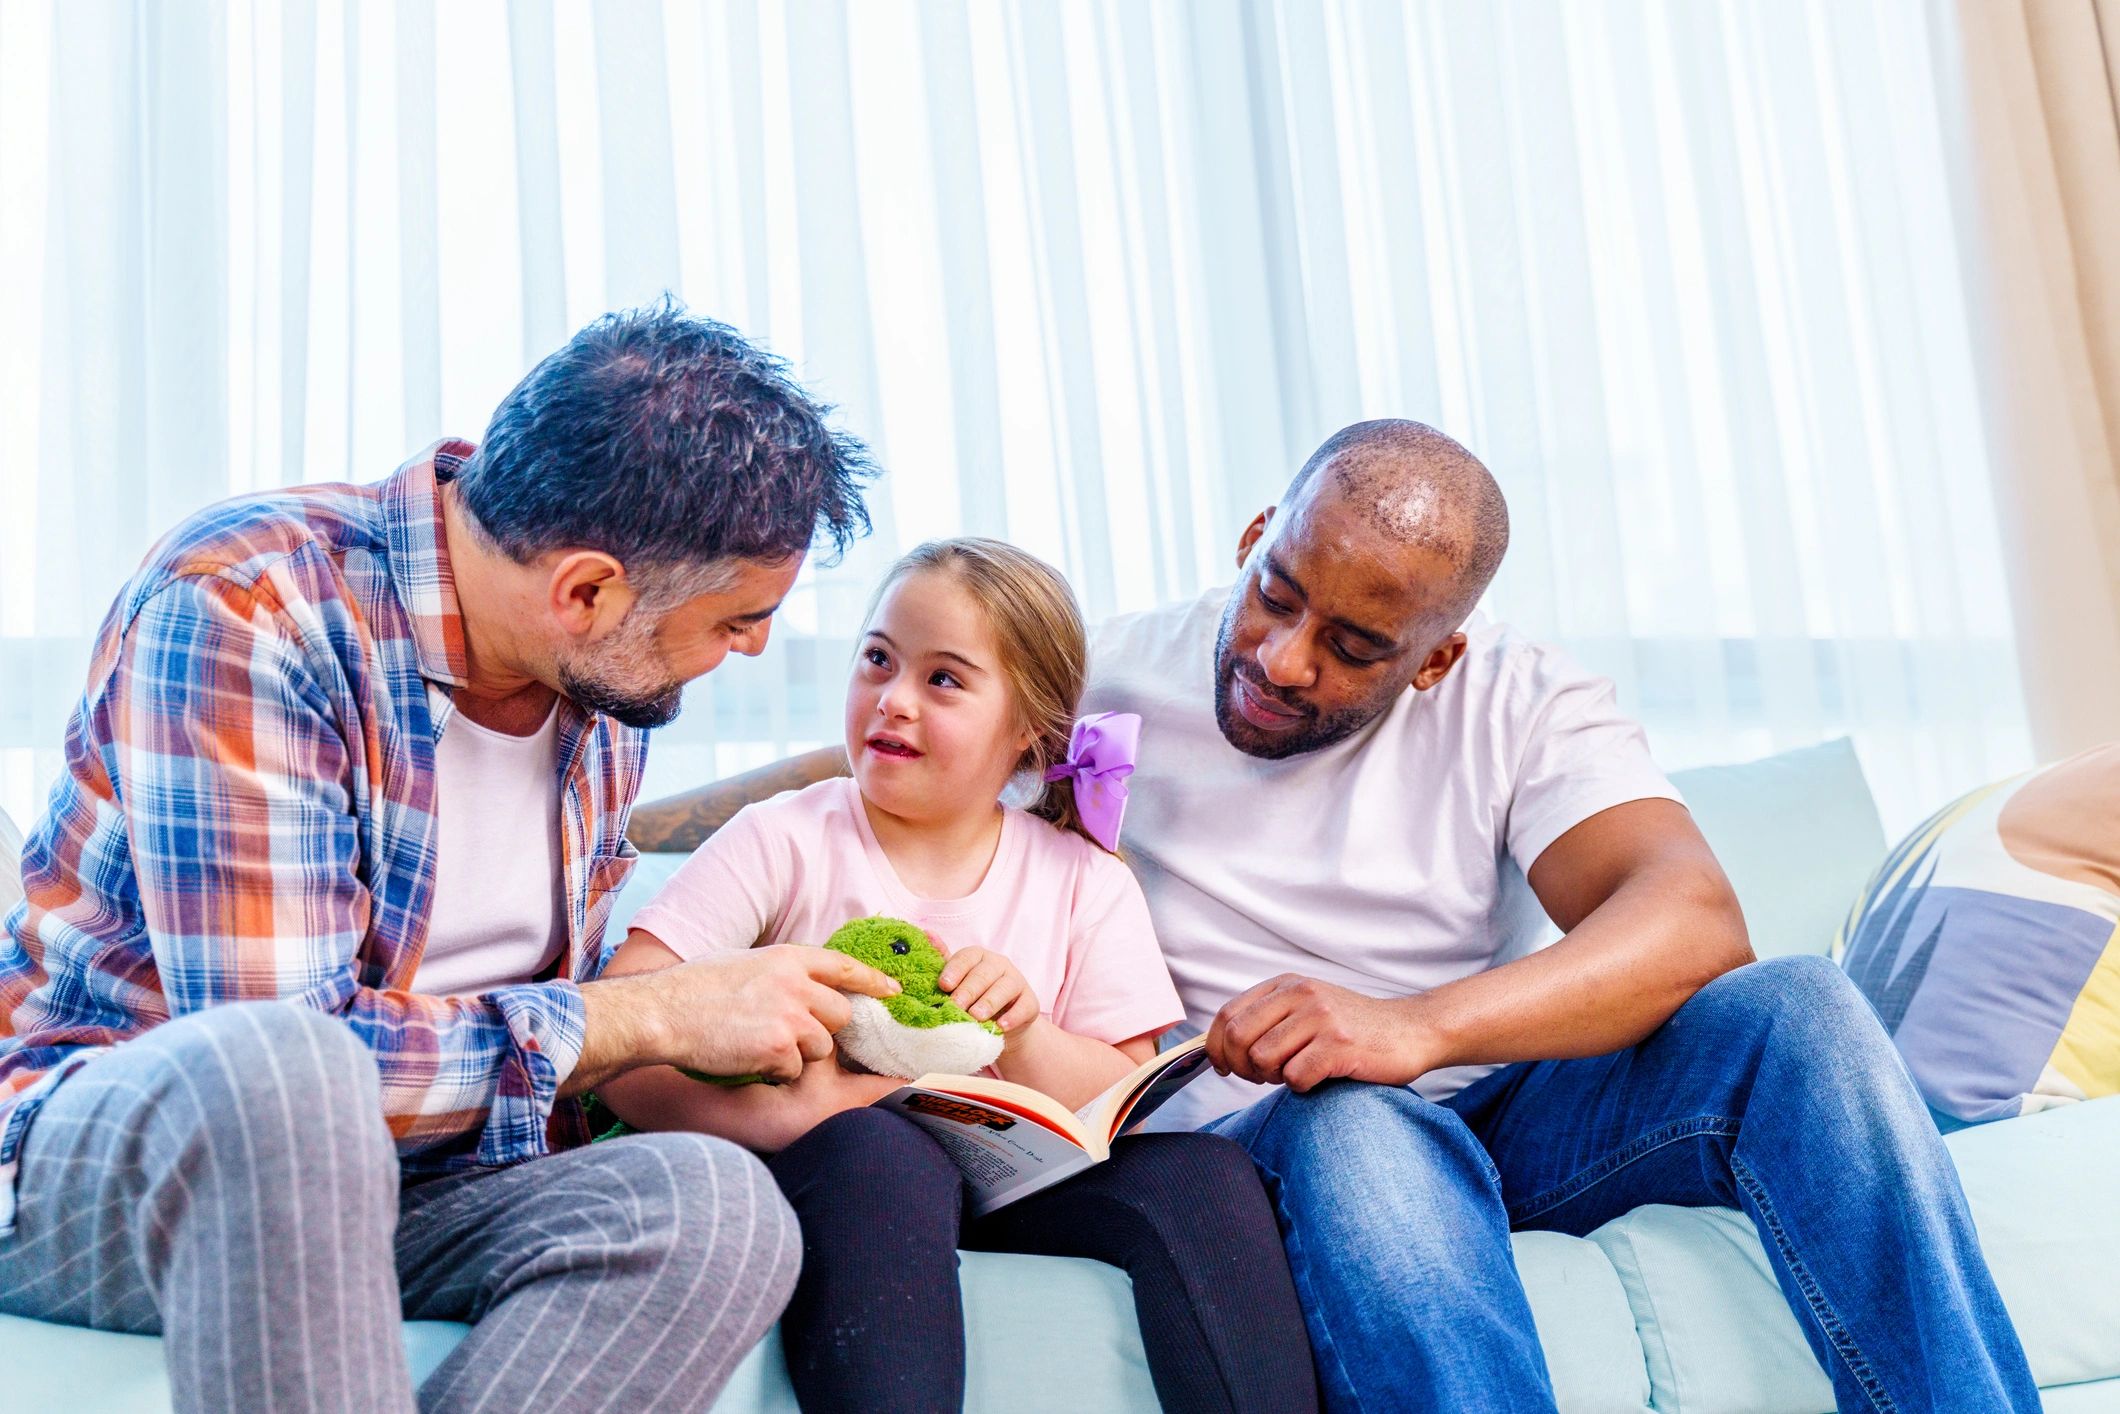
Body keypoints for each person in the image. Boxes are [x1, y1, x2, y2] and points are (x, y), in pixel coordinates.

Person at [0, 303, 904, 1412]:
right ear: (584, 590)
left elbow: (548, 1053)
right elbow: (291, 1048)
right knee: (287, 1076)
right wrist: (656, 1013)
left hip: (433, 1181)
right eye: (736, 617)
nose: (755, 645)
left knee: (713, 1206)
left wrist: (751, 1066)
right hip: (132, 1174)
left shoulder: (606, 684)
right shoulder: (249, 605)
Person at [1077, 419, 2041, 1412]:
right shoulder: (1091, 677)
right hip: (1259, 1141)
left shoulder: (1517, 698)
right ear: (1252, 537)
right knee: (1358, 1120)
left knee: (1801, 1006)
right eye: (1274, 596)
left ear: (1434, 659)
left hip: (1485, 1111)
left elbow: (1691, 919)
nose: (1281, 660)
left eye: (1354, 648)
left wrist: (1414, 1025)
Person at [598, 538, 1318, 1414]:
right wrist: (784, 1111)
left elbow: (1116, 1096)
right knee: (879, 1146)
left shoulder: (1085, 879)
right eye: (877, 660)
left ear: (1028, 727)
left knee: (1206, 1174)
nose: (892, 700)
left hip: (1010, 1184)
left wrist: (1027, 1034)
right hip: (840, 1177)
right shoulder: (781, 837)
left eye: (943, 680)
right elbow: (621, 1041)